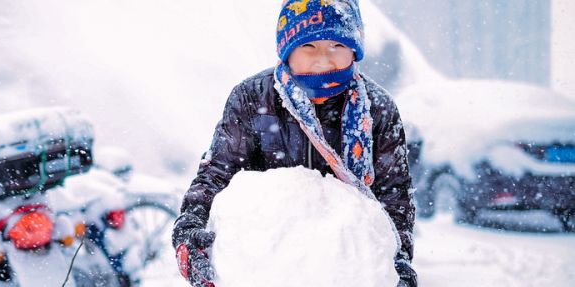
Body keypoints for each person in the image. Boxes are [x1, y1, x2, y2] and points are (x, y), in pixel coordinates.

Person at [171, 0, 417, 286]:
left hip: (347, 268)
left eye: (337, 45)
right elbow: (216, 175)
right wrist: (189, 236)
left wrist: (398, 260)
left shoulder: (378, 109)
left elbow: (394, 196)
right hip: (266, 265)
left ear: (355, 48)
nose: (323, 59)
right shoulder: (252, 99)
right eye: (309, 46)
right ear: (287, 49)